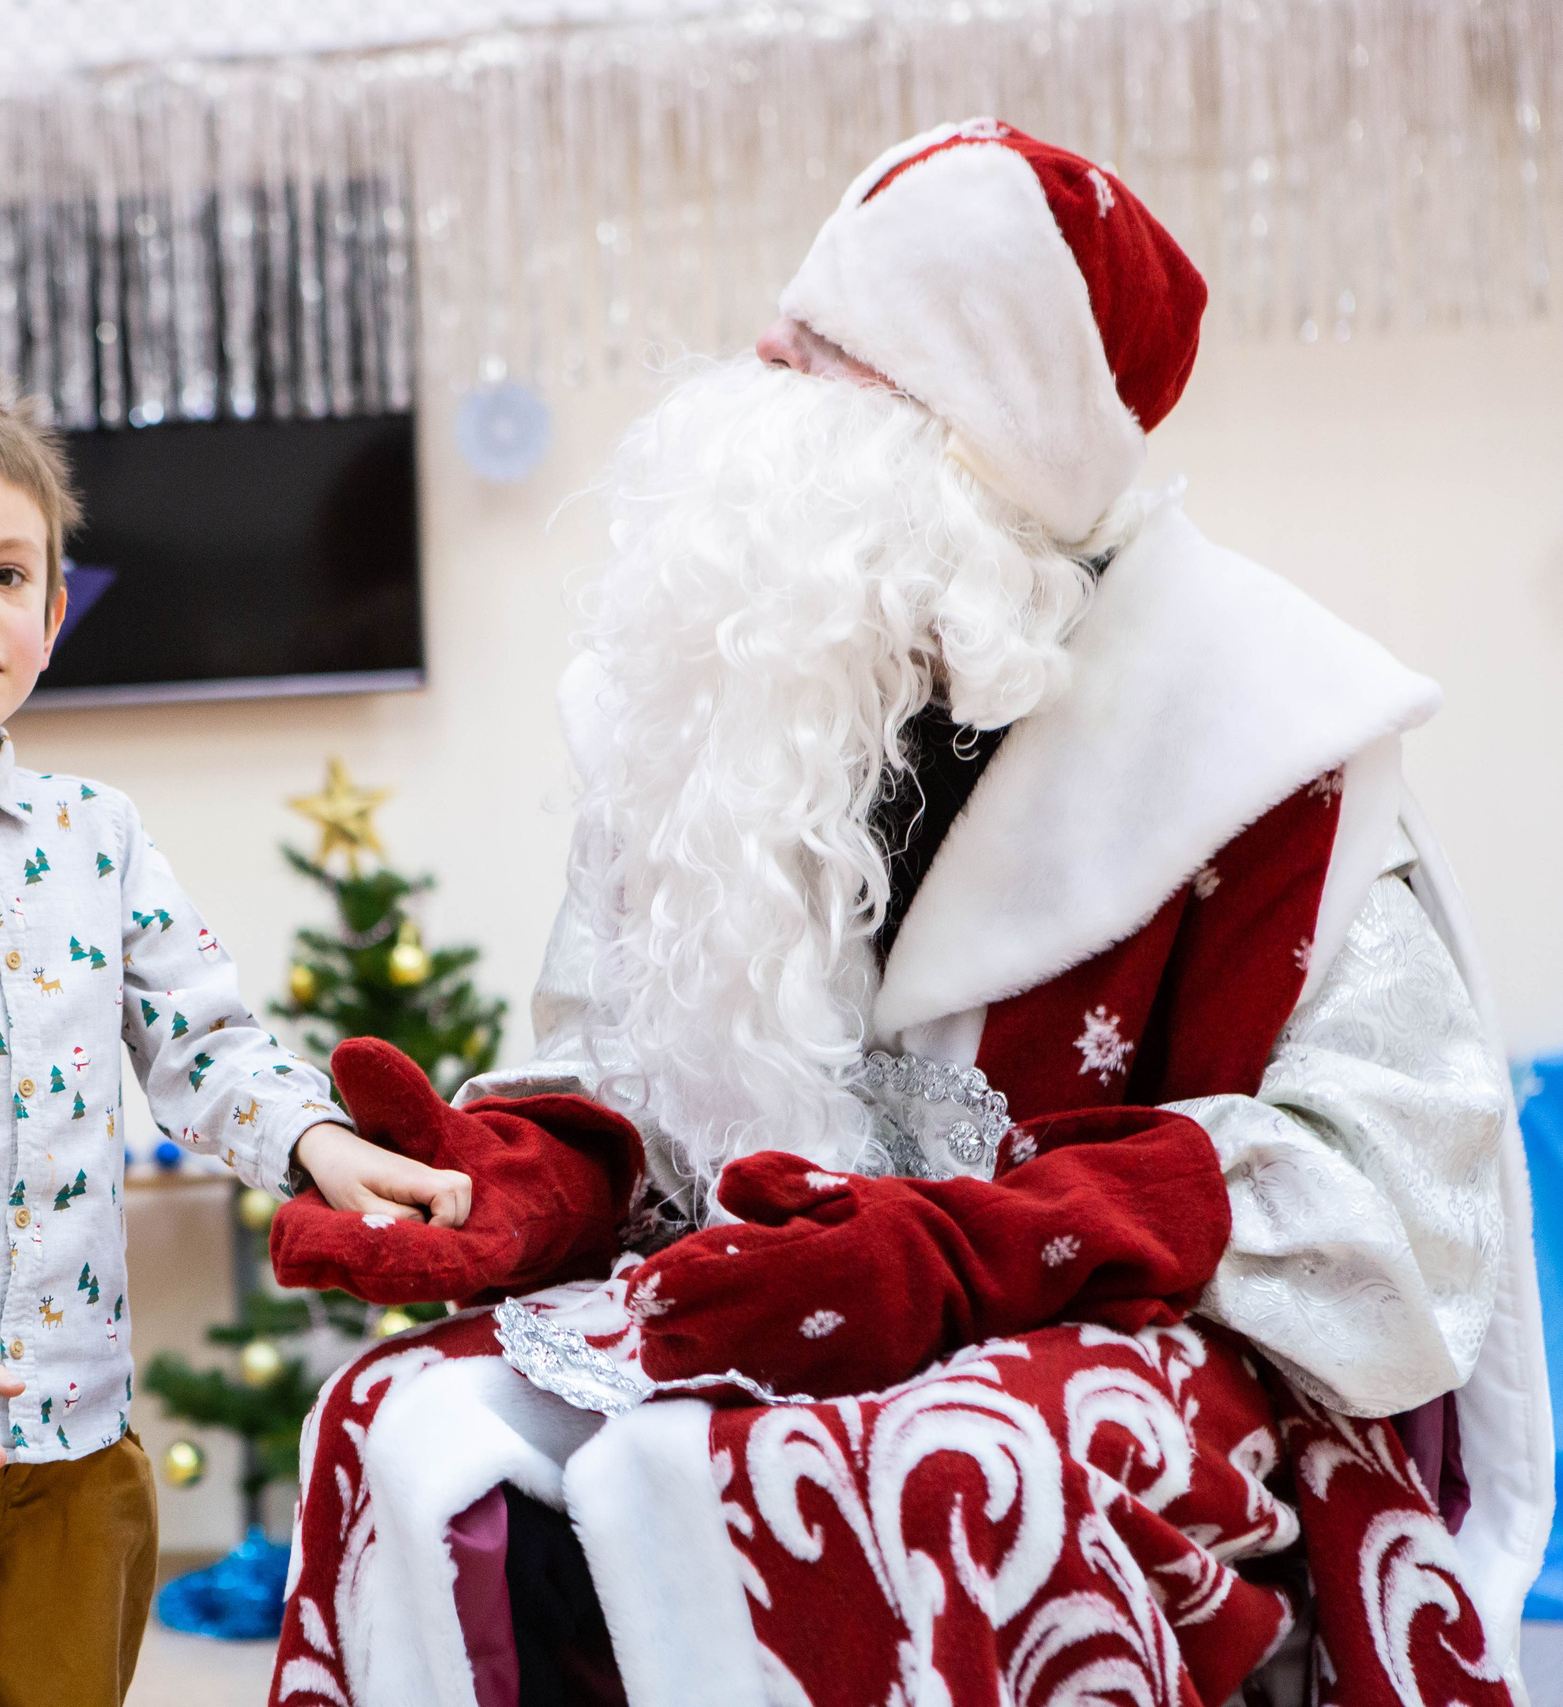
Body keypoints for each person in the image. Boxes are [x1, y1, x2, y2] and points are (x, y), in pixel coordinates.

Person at [263, 121, 1551, 1707]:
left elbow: (1395, 1194)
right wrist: (527, 1182)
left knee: (946, 1472)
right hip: (755, 1300)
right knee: (391, 1427)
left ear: (971, 439)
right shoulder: (733, 699)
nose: (755, 369)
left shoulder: (1267, 733)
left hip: (1119, 1335)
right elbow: (620, 1069)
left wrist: (966, 1252)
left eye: (823, 359)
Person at [0, 371, 471, 1707]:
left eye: (8, 575)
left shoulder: (97, 835)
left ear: (54, 613)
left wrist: (320, 1142)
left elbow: (205, 1043)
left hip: (77, 1432)